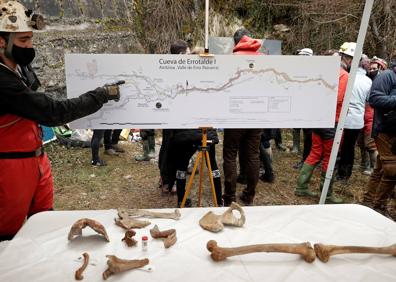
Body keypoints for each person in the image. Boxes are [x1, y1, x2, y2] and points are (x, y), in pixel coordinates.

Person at [0, 1, 122, 240]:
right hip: (8, 167)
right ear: (1, 42)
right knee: (7, 234)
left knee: (44, 222)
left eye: (30, 39)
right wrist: (100, 95)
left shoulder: (16, 68)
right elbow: (53, 112)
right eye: (23, 41)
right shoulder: (3, 82)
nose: (30, 47)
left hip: (35, 159)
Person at [294, 44, 352, 203]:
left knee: (315, 152)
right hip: (332, 121)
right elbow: (338, 99)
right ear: (347, 59)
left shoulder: (321, 73)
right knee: (330, 157)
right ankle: (326, 194)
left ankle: (301, 187)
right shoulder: (344, 75)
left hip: (318, 118)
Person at [222, 28, 262, 206]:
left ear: (235, 43)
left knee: (230, 155)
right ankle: (249, 194)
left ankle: (229, 197)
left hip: (235, 115)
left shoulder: (231, 61)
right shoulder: (263, 58)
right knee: (252, 155)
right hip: (257, 115)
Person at [361, 60, 396, 214]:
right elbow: (374, 99)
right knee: (392, 170)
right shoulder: (388, 76)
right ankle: (378, 206)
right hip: (384, 130)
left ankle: (368, 201)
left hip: (394, 132)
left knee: (381, 168)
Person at [158, 40, 191, 194]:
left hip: (177, 116)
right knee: (171, 148)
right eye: (188, 54)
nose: (191, 57)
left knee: (169, 147)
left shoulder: (167, 69)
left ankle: (168, 181)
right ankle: (168, 181)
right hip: (173, 117)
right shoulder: (171, 71)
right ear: (181, 55)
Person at [336, 55, 372, 181]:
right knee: (349, 147)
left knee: (337, 144)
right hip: (357, 119)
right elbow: (368, 102)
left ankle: (335, 170)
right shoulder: (368, 81)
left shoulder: (347, 76)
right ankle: (345, 174)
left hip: (342, 116)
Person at [292, 48, 314, 168]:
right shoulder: (297, 68)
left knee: (309, 134)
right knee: (297, 126)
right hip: (298, 102)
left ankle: (307, 159)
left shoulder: (314, 70)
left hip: (310, 106)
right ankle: (301, 152)